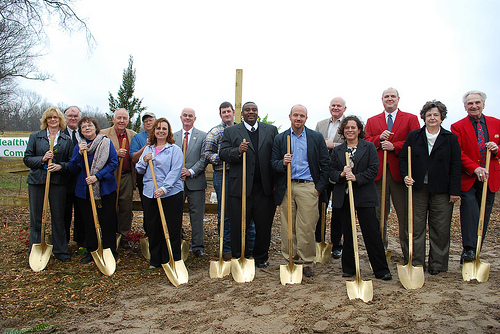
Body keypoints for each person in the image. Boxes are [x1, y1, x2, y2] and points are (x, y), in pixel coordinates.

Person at [399, 100, 461, 274]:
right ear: (424, 118)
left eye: (436, 115)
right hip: (417, 188)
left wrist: (455, 191)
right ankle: (416, 262)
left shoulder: (450, 138)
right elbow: (404, 159)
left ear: (442, 118)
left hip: (442, 189)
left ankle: (438, 265)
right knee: (415, 227)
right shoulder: (414, 136)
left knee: (440, 229)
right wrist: (405, 176)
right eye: (429, 115)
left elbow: (456, 165)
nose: (432, 118)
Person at [329, 116, 392, 280]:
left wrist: (356, 178)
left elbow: (373, 169)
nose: (350, 130)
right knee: (348, 233)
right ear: (343, 130)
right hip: (344, 197)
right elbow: (331, 172)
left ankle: (381, 269)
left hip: (365, 196)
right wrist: (342, 174)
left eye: (353, 127)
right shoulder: (337, 150)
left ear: (359, 130)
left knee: (372, 232)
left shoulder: (369, 147)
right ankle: (349, 268)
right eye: (347, 128)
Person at [271, 104, 329, 277]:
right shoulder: (281, 138)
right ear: (290, 117)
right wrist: (282, 162)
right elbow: (272, 163)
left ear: (306, 118)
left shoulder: (316, 137)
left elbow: (325, 164)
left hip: (308, 186)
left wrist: (318, 189)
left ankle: (307, 261)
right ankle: (291, 258)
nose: (298, 118)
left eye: (302, 116)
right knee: (289, 225)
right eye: (295, 115)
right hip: (287, 186)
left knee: (307, 225)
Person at [220, 101, 278, 268]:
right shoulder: (231, 131)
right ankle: (239, 256)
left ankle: (261, 257)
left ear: (258, 113)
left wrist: (275, 182)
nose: (251, 112)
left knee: (264, 224)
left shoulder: (270, 130)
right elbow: (222, 153)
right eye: (247, 110)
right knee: (238, 224)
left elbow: (275, 155)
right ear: (242, 114)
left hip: (264, 188)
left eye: (254, 110)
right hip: (240, 187)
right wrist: (237, 151)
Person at [365, 87, 420, 263]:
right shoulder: (372, 121)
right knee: (379, 215)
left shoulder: (410, 119)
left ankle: (409, 254)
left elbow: (416, 142)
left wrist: (395, 146)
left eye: (392, 96)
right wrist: (379, 140)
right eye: (386, 96)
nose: (390, 99)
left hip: (400, 174)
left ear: (398, 99)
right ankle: (379, 253)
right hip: (379, 175)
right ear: (382, 100)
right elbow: (365, 142)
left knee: (405, 215)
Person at [450, 90, 500, 263]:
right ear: (465, 107)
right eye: (470, 103)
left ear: (483, 104)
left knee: (484, 213)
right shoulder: (457, 126)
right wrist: (475, 168)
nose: (474, 106)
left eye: (477, 102)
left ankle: (478, 245)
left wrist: (496, 150)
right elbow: (459, 153)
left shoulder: (496, 123)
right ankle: (468, 249)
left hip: (490, 177)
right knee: (470, 209)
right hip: (470, 176)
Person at [24, 107, 73, 262]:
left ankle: (60, 250)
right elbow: (27, 159)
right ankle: (36, 249)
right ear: (45, 120)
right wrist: (42, 159)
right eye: (50, 118)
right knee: (37, 216)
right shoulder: (36, 137)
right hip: (38, 181)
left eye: (56, 118)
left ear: (60, 120)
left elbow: (71, 163)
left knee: (58, 217)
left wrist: (60, 166)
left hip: (57, 182)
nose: (53, 120)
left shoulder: (67, 140)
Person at [69, 116, 119, 263]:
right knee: (89, 221)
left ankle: (110, 251)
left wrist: (97, 176)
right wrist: (79, 154)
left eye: (90, 125)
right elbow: (72, 168)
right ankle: (92, 251)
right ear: (80, 131)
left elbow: (113, 163)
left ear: (96, 128)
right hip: (84, 190)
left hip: (105, 189)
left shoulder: (105, 143)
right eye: (83, 127)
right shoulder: (79, 147)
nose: (87, 128)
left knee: (108, 220)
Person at [136, 118, 184, 268]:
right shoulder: (148, 148)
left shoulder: (174, 149)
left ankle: (171, 258)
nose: (161, 131)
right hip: (150, 193)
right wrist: (144, 160)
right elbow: (139, 169)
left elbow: (175, 171)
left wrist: (164, 188)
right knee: (153, 226)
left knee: (171, 227)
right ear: (153, 131)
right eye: (158, 128)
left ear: (168, 131)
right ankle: (155, 259)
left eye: (164, 128)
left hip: (170, 194)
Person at [314, 97, 347, 259]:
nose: (335, 108)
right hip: (322, 171)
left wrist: (334, 146)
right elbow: (314, 144)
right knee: (320, 207)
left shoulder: (348, 124)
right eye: (333, 105)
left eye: (338, 106)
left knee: (338, 209)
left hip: (339, 172)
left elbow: (352, 143)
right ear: (329, 108)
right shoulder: (320, 124)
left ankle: (336, 245)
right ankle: (318, 241)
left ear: (344, 108)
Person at [173, 108, 207, 257]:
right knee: (174, 214)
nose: (187, 118)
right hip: (176, 183)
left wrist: (190, 171)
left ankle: (197, 246)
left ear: (195, 118)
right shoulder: (173, 137)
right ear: (181, 117)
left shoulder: (203, 136)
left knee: (197, 216)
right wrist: (178, 172)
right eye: (185, 115)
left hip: (196, 182)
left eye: (190, 116)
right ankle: (176, 242)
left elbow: (204, 158)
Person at [101, 108, 136, 249]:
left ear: (128, 120)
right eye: (119, 118)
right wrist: (114, 153)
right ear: (113, 119)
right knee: (109, 205)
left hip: (126, 175)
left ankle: (123, 235)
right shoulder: (103, 134)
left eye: (125, 118)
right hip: (109, 176)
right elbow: (97, 152)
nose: (122, 121)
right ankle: (108, 234)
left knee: (126, 207)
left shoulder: (133, 135)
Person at [130, 112, 156, 237]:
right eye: (146, 121)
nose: (148, 122)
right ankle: (149, 232)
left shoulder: (162, 135)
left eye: (151, 120)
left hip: (160, 176)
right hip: (144, 175)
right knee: (147, 205)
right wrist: (146, 145)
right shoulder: (137, 138)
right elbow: (134, 158)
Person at [63, 106, 85, 247]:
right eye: (70, 115)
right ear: (65, 117)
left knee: (81, 212)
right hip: (64, 179)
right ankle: (63, 241)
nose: (73, 118)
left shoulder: (84, 134)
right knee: (64, 212)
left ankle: (81, 240)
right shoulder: (59, 133)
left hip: (80, 179)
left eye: (76, 116)